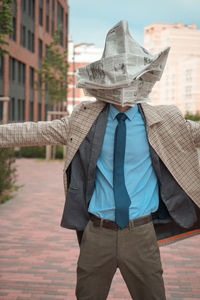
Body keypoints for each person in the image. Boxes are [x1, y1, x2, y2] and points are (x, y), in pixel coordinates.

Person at [0, 20, 200, 300]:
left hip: (141, 234)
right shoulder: (84, 118)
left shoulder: (165, 119)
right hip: (96, 234)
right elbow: (33, 130)